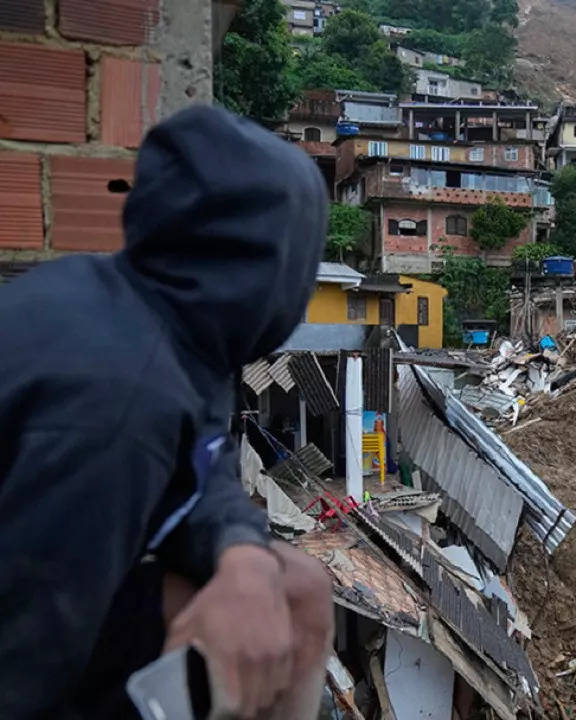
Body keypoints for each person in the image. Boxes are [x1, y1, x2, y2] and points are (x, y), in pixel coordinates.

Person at [0, 106, 333, 718]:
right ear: (271, 268)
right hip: (33, 640)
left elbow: (204, 467)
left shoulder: (159, 319)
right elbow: (25, 663)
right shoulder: (117, 408)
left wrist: (239, 552)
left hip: (64, 589)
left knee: (297, 590)